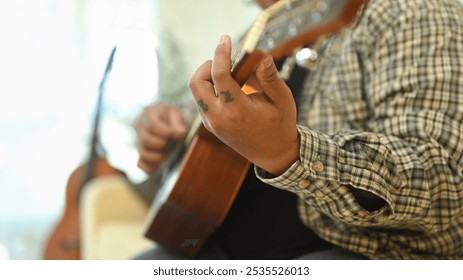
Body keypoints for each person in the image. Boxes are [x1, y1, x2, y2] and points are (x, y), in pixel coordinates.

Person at [134, 0, 463, 259]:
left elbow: (443, 183)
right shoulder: (272, 23)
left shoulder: (412, 10)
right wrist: (164, 122)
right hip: (219, 244)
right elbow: (210, 110)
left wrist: (289, 152)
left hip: (358, 252)